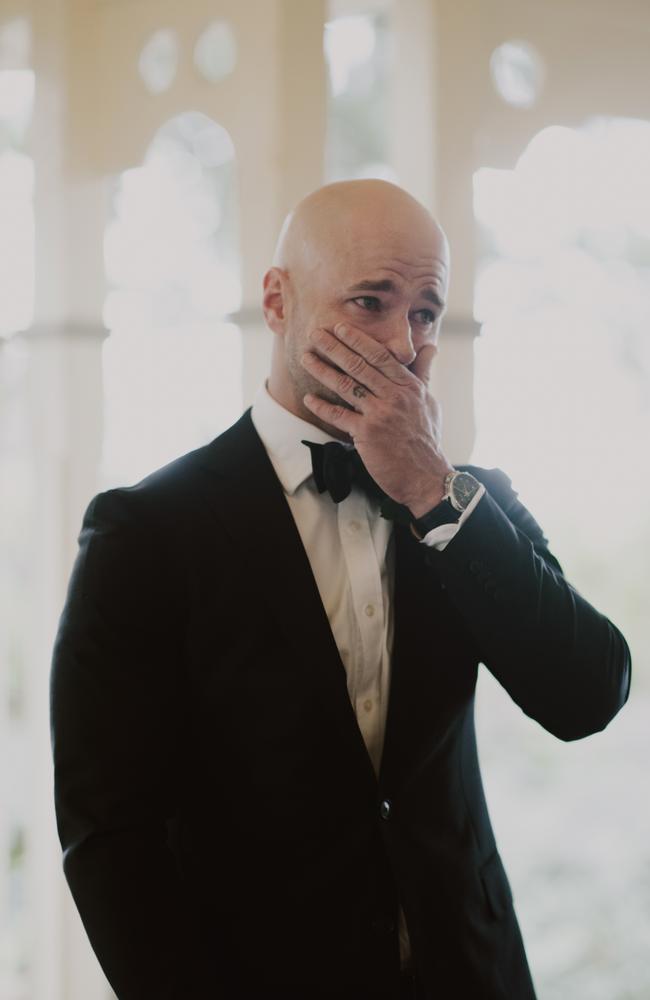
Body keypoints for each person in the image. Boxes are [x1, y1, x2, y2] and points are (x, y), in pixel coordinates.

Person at [50, 179, 631, 1000]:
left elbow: (588, 695)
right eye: (370, 302)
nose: (402, 343)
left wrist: (432, 491)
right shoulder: (144, 533)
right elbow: (109, 836)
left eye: (426, 312)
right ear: (278, 302)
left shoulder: (473, 504)